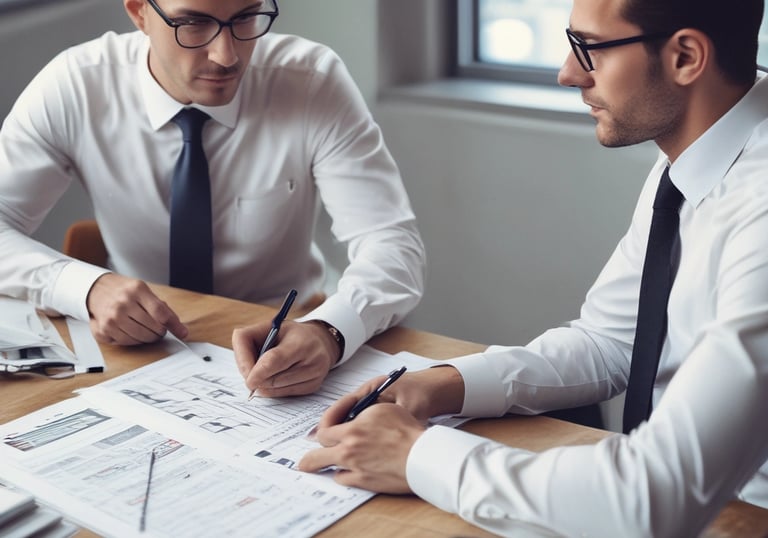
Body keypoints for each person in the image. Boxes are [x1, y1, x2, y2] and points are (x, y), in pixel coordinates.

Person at [298, 0, 768, 535]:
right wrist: (444, 384)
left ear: (685, 57)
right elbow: (612, 340)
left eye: (590, 49)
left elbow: (652, 498)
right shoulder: (704, 148)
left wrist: (416, 456)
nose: (568, 74)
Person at [0, 0, 425, 396]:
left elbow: (392, 244)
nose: (226, 56)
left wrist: (329, 330)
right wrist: (85, 286)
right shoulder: (77, 85)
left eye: (246, 17)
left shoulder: (311, 81)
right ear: (139, 11)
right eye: (193, 23)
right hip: (137, 345)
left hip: (288, 335)